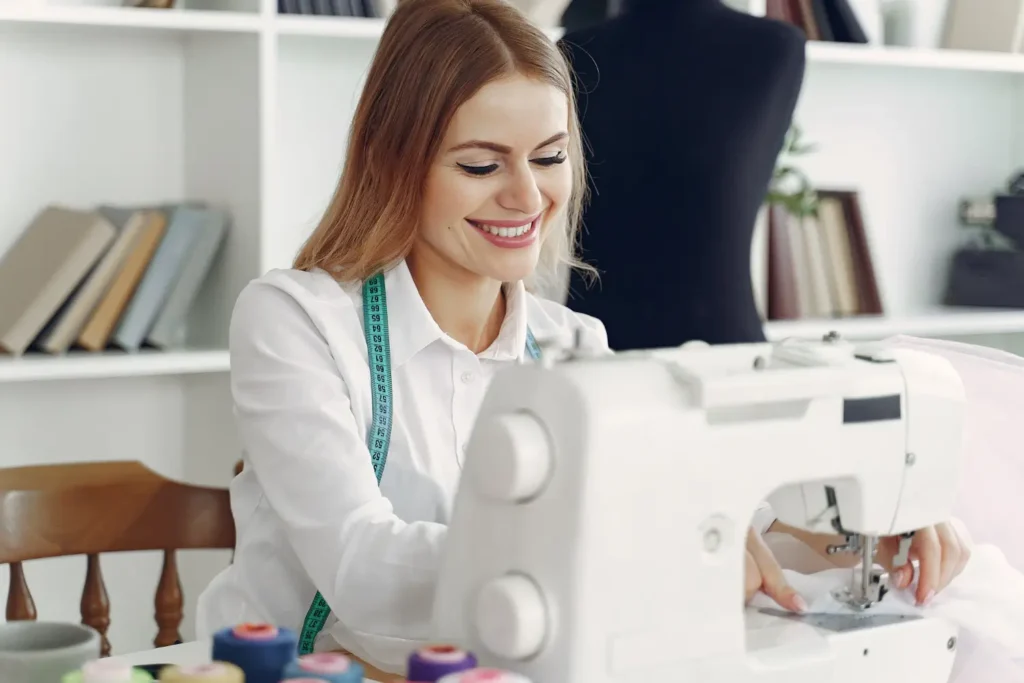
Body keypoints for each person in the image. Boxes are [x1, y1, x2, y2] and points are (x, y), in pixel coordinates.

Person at [194, 0, 969, 674]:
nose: (528, 195)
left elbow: (716, 510)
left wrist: (863, 532)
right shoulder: (295, 321)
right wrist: (635, 552)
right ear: (395, 164)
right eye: (479, 163)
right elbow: (360, 565)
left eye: (550, 156)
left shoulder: (577, 348)